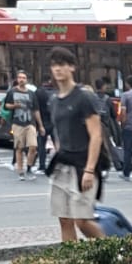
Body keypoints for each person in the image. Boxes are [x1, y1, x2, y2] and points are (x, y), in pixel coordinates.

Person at [46, 47, 105, 242]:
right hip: (63, 163)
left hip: (83, 164)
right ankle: (72, 263)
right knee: (64, 218)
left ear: (72, 67)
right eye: (54, 65)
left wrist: (89, 170)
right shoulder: (53, 100)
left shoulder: (83, 97)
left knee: (82, 219)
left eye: (62, 65)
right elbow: (57, 131)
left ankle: (115, 254)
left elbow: (96, 135)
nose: (58, 69)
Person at [3, 69, 39, 177]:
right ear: (17, 80)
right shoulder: (12, 92)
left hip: (30, 123)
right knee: (19, 147)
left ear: (26, 80)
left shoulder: (31, 94)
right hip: (17, 123)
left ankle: (29, 166)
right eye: (20, 78)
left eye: (23, 78)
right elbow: (6, 105)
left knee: (33, 146)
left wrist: (40, 125)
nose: (21, 80)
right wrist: (14, 106)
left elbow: (36, 109)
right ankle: (20, 170)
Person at [34, 74, 56, 173]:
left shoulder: (38, 92)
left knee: (41, 145)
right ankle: (59, 165)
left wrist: (38, 124)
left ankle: (42, 165)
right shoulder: (56, 92)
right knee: (58, 145)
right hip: (55, 122)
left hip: (42, 121)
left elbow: (35, 109)